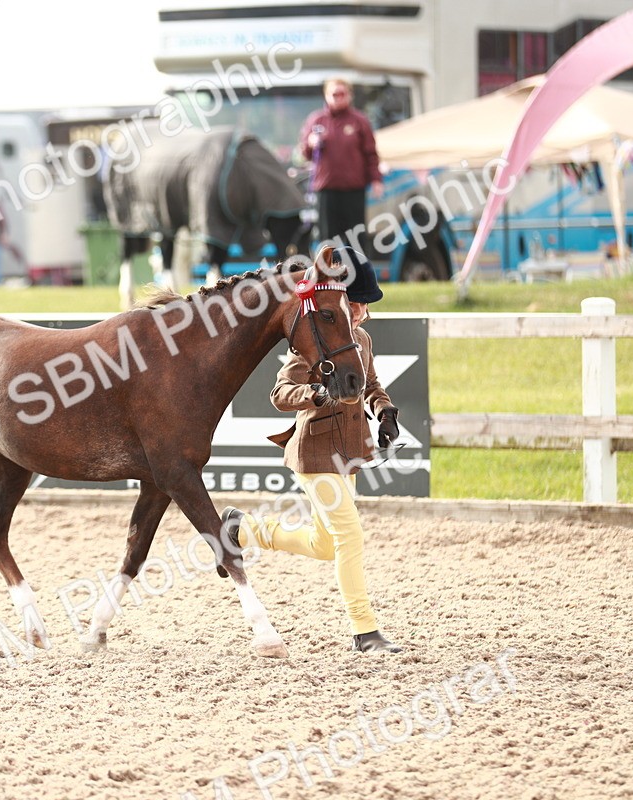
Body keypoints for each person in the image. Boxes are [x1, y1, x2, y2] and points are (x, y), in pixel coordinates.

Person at [221, 252, 403, 654]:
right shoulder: (312, 342)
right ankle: (364, 630)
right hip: (314, 452)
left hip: (347, 452)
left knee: (326, 543)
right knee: (350, 537)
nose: (364, 313)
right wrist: (316, 393)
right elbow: (280, 394)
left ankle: (241, 529)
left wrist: (384, 410)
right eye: (357, 304)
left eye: (364, 306)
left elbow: (370, 384)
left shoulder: (364, 340)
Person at [297, 78, 384, 249]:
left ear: (349, 96)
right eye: (334, 94)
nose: (338, 98)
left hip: (353, 190)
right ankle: (328, 275)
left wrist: (376, 180)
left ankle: (358, 275)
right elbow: (304, 153)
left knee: (356, 240)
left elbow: (371, 154)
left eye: (342, 94)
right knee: (327, 241)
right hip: (326, 191)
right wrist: (310, 143)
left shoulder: (359, 121)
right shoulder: (317, 120)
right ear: (326, 96)